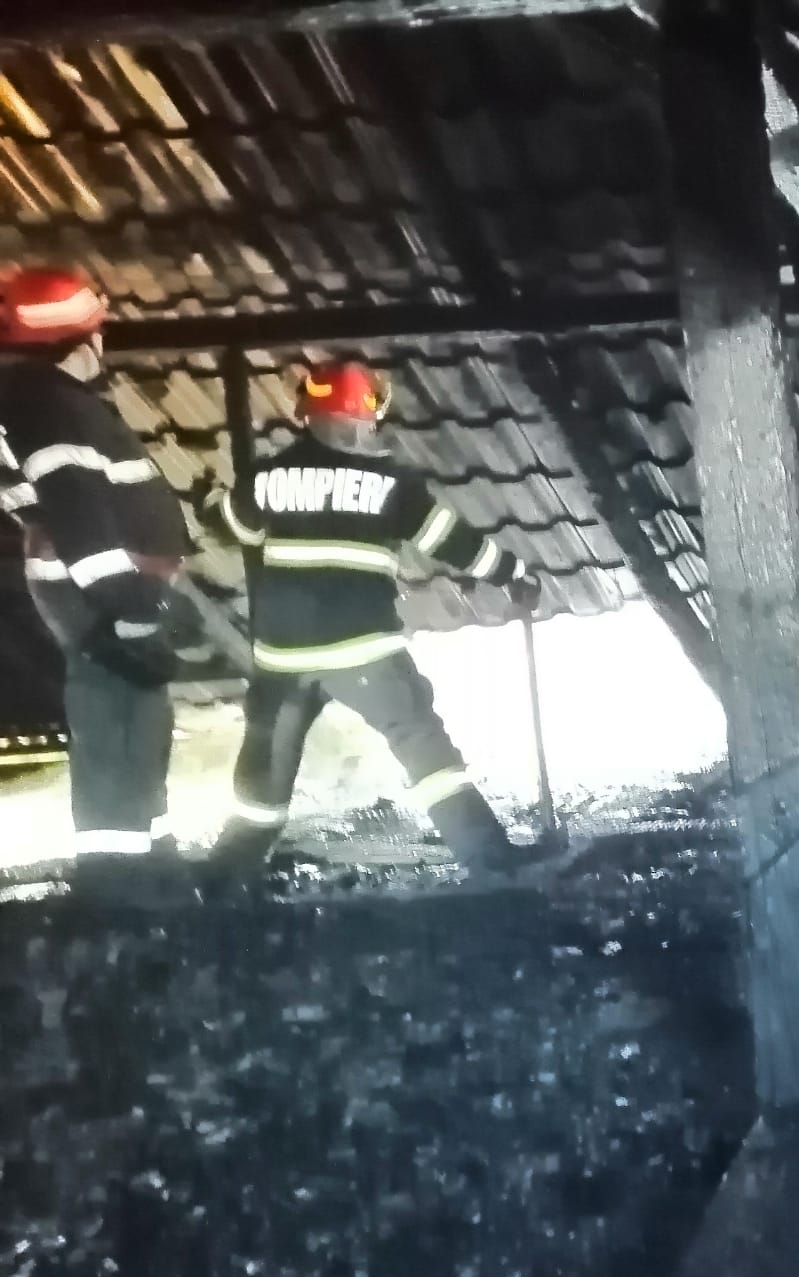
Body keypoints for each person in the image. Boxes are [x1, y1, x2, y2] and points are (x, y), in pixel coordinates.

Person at [211, 359, 550, 880]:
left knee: (266, 771)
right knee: (423, 746)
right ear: (363, 417)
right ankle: (492, 862)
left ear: (307, 415)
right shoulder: (392, 482)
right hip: (363, 648)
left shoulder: (268, 476)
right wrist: (514, 574)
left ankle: (226, 879)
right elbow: (451, 541)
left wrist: (210, 500)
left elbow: (232, 525)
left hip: (282, 657)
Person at [0, 267, 191, 901]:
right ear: (82, 339)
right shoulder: (47, 404)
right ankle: (115, 891)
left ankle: (152, 866)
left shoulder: (40, 397)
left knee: (138, 721)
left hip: (103, 590)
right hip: (102, 594)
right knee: (114, 724)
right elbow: (78, 511)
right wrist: (128, 612)